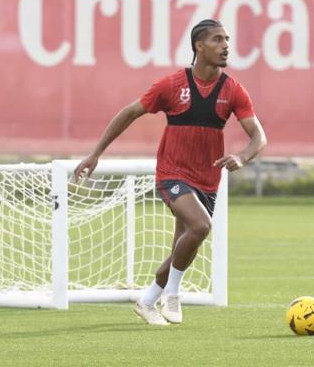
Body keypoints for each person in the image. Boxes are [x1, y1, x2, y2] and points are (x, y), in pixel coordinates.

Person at [73, 19, 267, 325]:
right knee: (201, 227)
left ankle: (148, 300)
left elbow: (259, 137)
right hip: (172, 172)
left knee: (184, 245)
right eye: (217, 39)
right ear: (199, 46)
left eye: (227, 39)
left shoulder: (233, 91)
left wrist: (242, 157)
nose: (225, 45)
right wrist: (96, 154)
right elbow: (129, 112)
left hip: (207, 179)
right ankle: (174, 295)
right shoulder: (173, 85)